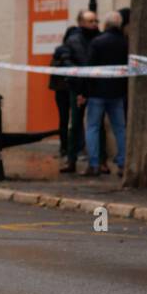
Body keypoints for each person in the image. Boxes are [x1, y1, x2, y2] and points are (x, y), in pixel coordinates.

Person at [83, 11, 128, 177]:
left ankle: (94, 164)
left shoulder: (97, 42)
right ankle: (123, 162)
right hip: (117, 92)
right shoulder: (125, 43)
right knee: (120, 129)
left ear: (106, 25)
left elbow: (89, 68)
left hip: (97, 92)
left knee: (93, 127)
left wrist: (85, 91)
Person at [55, 10, 99, 174]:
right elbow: (66, 61)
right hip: (77, 87)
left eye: (96, 21)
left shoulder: (98, 39)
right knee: (75, 124)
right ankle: (71, 159)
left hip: (96, 88)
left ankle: (99, 161)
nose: (94, 24)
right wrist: (78, 85)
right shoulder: (73, 41)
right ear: (81, 23)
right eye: (90, 21)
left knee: (97, 124)